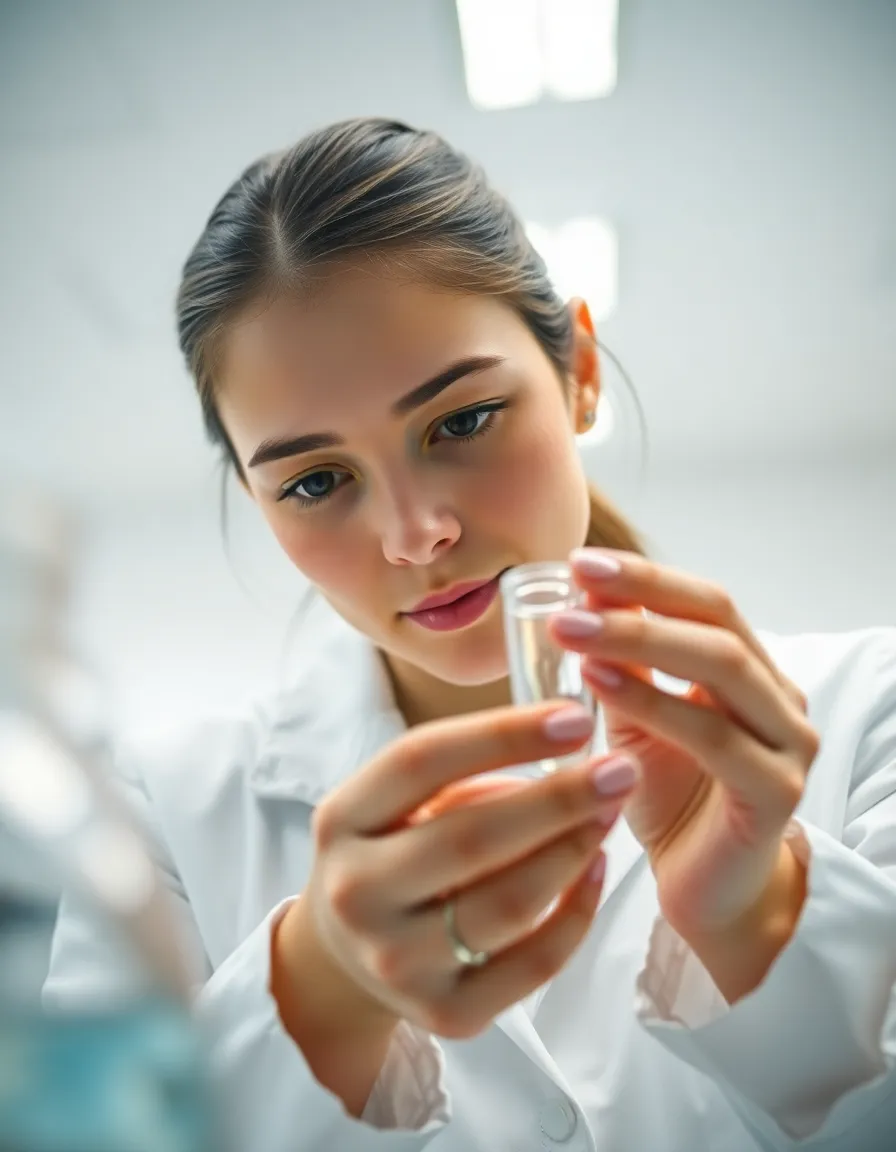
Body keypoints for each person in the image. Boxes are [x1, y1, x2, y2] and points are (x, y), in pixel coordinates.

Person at [45, 118, 896, 1151]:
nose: (416, 534)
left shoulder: (869, 704)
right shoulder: (158, 821)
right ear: (255, 498)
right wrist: (315, 988)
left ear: (578, 370)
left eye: (460, 421)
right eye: (316, 481)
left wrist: (757, 919)